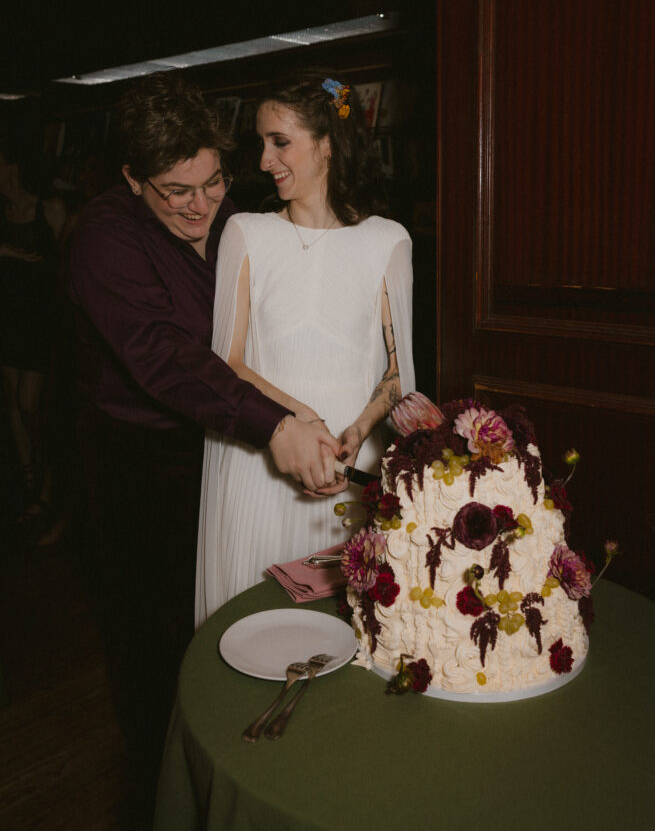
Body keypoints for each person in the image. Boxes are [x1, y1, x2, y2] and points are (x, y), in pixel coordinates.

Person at [67, 72, 340, 826]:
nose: (199, 204)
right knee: (159, 658)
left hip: (222, 454)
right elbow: (167, 356)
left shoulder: (229, 219)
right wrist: (276, 426)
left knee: (234, 627)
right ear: (132, 180)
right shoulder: (102, 238)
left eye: (212, 181)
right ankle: (172, 803)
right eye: (174, 191)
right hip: (140, 471)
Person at [195, 69, 415, 624]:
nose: (266, 161)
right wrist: (300, 418)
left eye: (280, 142)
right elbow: (229, 362)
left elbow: (397, 375)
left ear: (326, 145)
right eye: (262, 144)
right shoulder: (247, 231)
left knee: (345, 626)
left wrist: (357, 433)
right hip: (264, 462)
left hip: (348, 470)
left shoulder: (388, 240)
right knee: (253, 621)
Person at [0, 138, 61, 524]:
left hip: (40, 322)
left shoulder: (48, 208)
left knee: (30, 404)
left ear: (13, 165)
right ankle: (29, 481)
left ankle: (49, 475)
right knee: (11, 405)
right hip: (6, 320)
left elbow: (64, 269)